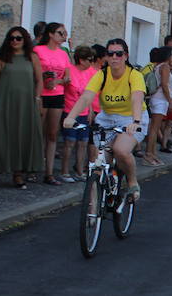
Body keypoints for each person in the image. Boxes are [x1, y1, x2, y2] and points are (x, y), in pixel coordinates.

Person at [63, 38, 146, 202]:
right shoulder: (102, 75)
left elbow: (137, 97)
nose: (114, 57)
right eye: (110, 54)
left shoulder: (134, 75)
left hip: (131, 117)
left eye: (119, 54)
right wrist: (71, 117)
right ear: (106, 56)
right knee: (97, 163)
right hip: (107, 117)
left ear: (125, 56)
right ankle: (93, 207)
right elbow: (86, 97)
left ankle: (132, 182)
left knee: (121, 150)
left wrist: (136, 122)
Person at [0, 27, 44, 190]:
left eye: (18, 38)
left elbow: (39, 80)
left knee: (21, 137)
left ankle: (18, 174)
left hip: (26, 105)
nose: (15, 41)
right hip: (5, 103)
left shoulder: (32, 57)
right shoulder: (1, 58)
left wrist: (37, 99)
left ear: (25, 40)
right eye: (11, 38)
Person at [34, 23, 70, 184]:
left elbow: (67, 77)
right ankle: (33, 167)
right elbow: (33, 72)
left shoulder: (63, 54)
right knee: (38, 131)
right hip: (41, 94)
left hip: (57, 94)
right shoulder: (38, 50)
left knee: (53, 133)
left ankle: (49, 172)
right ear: (50, 34)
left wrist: (57, 81)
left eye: (65, 33)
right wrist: (43, 78)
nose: (64, 36)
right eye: (60, 33)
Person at [60, 44, 99, 181]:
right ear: (81, 60)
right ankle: (64, 171)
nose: (91, 62)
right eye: (90, 59)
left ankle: (79, 171)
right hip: (69, 111)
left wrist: (91, 110)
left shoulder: (90, 73)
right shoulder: (69, 70)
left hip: (84, 112)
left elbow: (90, 94)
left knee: (83, 142)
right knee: (69, 142)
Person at [144, 46, 172, 164]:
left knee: (154, 128)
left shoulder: (157, 66)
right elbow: (165, 85)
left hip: (156, 98)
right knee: (154, 129)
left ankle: (152, 153)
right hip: (161, 99)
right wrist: (170, 101)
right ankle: (149, 154)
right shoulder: (165, 66)